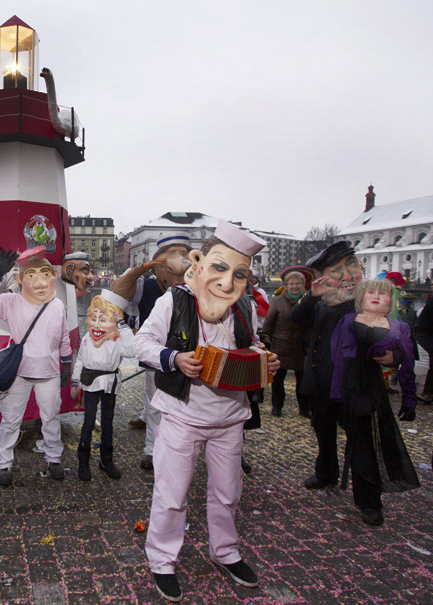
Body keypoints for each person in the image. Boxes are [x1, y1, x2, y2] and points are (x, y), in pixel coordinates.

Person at [135, 221, 278, 601]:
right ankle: (162, 560)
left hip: (230, 418)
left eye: (240, 274)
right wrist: (175, 358)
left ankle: (226, 551)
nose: (228, 283)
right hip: (182, 415)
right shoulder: (175, 300)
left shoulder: (245, 305)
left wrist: (265, 361)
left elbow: (252, 345)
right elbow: (142, 343)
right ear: (199, 264)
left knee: (228, 491)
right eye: (219, 268)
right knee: (172, 493)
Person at [291, 241, 394, 491]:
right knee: (324, 433)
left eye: (351, 265)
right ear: (322, 277)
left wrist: (394, 355)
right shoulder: (319, 301)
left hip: (356, 385)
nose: (348, 275)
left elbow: (398, 336)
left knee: (361, 440)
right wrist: (310, 297)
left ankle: (368, 497)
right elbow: (296, 319)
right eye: (336, 270)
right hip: (321, 384)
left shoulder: (370, 300)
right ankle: (326, 473)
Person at [330, 279, 420, 525]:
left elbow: (408, 364)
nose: (377, 296)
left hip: (372, 388)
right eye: (371, 291)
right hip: (348, 388)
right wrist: (336, 395)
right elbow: (336, 358)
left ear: (391, 299)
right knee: (359, 442)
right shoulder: (347, 321)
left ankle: (370, 498)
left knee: (375, 440)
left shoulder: (399, 328)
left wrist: (409, 399)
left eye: (383, 293)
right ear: (361, 296)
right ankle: (368, 500)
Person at [0, 247, 72, 486]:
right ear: (21, 280)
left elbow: (63, 336)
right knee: (11, 419)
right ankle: (4, 463)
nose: (40, 282)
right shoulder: (11, 302)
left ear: (52, 276)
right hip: (19, 372)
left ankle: (54, 459)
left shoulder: (57, 305)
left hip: (49, 372)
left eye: (44, 274)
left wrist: (67, 362)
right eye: (31, 276)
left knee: (51, 418)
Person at [112, 231, 192, 470]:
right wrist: (142, 268)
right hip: (156, 354)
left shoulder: (196, 287)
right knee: (155, 400)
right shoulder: (145, 286)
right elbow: (117, 292)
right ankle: (151, 449)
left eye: (184, 253)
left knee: (184, 404)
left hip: (188, 357)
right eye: (172, 255)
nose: (180, 259)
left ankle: (180, 443)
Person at [70, 290, 135, 481]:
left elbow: (132, 350)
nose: (96, 324)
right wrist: (75, 381)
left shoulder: (118, 341)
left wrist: (123, 326)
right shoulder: (87, 339)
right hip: (90, 384)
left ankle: (106, 460)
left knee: (107, 422)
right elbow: (80, 359)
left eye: (103, 319)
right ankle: (83, 461)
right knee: (88, 422)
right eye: (94, 318)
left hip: (109, 384)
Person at [261, 266, 314, 418]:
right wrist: (266, 344)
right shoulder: (278, 300)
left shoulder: (309, 301)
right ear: (286, 285)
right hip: (281, 345)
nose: (295, 286)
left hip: (301, 346)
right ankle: (277, 406)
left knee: (303, 380)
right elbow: (268, 323)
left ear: (303, 285)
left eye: (298, 283)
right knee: (278, 380)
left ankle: (304, 408)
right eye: (291, 284)